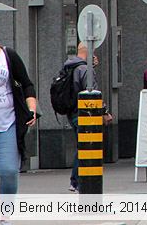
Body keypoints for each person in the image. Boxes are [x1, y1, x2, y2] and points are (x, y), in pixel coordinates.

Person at [0, 17, 37, 225]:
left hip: (6, 123)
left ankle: (5, 215)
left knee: (8, 171)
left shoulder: (8, 56)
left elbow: (27, 85)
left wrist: (31, 108)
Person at [63, 43, 112, 192]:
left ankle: (75, 181)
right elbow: (91, 91)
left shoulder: (70, 66)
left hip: (71, 113)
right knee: (86, 146)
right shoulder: (84, 69)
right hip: (84, 113)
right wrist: (104, 112)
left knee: (81, 146)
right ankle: (77, 182)